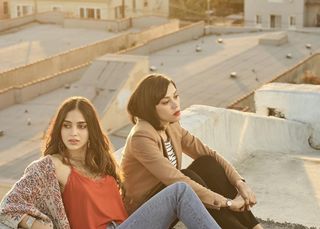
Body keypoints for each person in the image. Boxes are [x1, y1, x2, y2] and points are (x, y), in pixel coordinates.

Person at [0, 96, 220, 229]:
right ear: (59, 129)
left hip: (126, 225)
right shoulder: (51, 166)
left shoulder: (101, 164)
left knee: (189, 177)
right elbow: (7, 207)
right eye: (67, 126)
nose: (73, 133)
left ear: (91, 130)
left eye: (82, 126)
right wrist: (34, 224)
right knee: (180, 191)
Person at [121, 74, 263, 229]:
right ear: (150, 108)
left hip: (171, 193)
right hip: (146, 211)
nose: (175, 105)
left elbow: (209, 154)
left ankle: (255, 227)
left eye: (176, 96)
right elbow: (176, 180)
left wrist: (240, 183)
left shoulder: (171, 125)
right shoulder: (141, 137)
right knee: (188, 179)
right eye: (166, 102)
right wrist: (227, 203)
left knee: (207, 164)